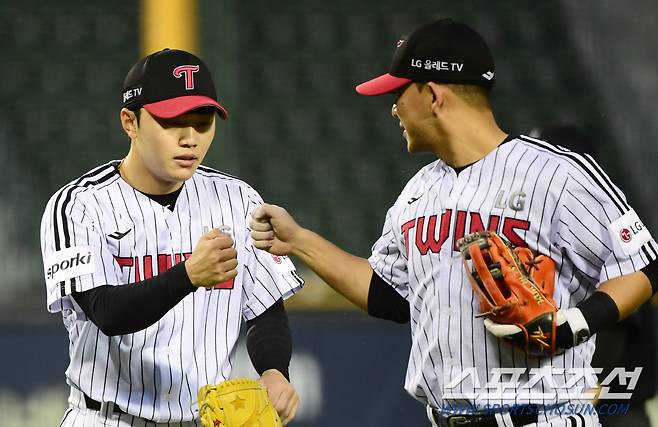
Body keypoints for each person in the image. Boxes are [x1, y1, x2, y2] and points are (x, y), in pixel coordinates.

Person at [249, 18, 658, 427]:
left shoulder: (554, 173)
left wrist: (573, 325)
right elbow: (388, 295)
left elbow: (642, 265)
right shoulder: (417, 192)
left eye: (398, 91)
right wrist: (300, 241)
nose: (393, 107)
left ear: (432, 94)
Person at [40, 48, 304, 426]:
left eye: (202, 122)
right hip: (107, 418)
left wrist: (275, 370)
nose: (189, 138)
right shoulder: (80, 205)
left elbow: (265, 309)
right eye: (171, 122)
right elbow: (105, 312)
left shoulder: (238, 199)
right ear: (130, 122)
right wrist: (188, 275)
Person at [531, 124, 657, 427]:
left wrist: (610, 389)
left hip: (612, 407)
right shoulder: (539, 227)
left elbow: (643, 333)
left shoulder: (608, 229)